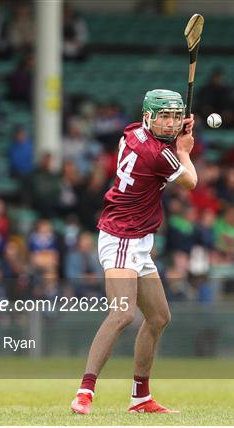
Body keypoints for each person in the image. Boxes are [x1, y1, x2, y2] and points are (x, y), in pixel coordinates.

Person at [71, 89, 197, 415]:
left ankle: (140, 398)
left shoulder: (131, 132)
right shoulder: (160, 154)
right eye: (163, 117)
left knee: (158, 317)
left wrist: (174, 141)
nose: (169, 124)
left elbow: (159, 148)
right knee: (123, 314)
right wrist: (184, 150)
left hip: (137, 240)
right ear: (148, 116)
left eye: (173, 117)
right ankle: (85, 392)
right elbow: (191, 182)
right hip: (122, 236)